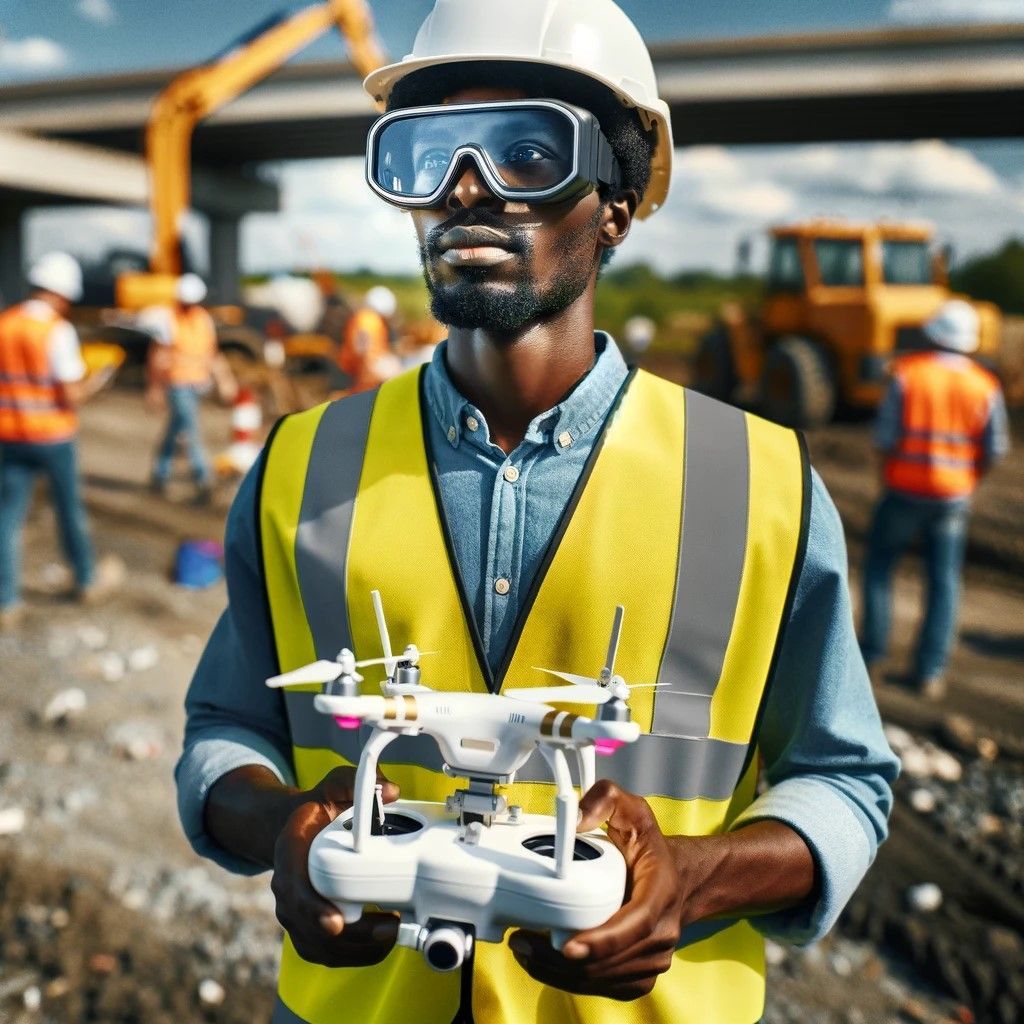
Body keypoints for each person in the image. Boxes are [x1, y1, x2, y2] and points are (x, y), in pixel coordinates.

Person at [175, 3, 897, 1022]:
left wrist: (693, 876)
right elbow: (225, 729)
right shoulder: (301, 462)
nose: (464, 188)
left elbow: (843, 778)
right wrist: (282, 829)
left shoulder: (760, 480)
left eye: (525, 149)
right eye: (423, 154)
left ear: (615, 203)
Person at [861, 299, 1009, 699]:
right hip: (953, 497)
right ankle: (929, 673)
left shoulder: (909, 375)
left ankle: (871, 659)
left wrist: (885, 478)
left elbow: (884, 439)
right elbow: (994, 448)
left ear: (934, 333)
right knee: (944, 582)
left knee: (878, 570)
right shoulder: (985, 385)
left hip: (903, 490)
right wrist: (968, 480)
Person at [0, 252, 120, 630]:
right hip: (52, 436)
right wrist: (100, 379)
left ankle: (6, 600)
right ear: (62, 293)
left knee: (7, 517)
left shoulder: (5, 324)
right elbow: (71, 395)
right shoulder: (57, 330)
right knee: (68, 510)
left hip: (8, 434)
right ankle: (86, 578)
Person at [144, 273, 236, 504]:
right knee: (192, 431)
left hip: (199, 384)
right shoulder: (169, 320)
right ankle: (203, 479)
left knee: (176, 428)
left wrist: (225, 379)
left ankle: (160, 473)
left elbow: (212, 353)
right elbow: (158, 355)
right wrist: (154, 387)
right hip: (178, 384)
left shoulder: (203, 320)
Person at [331, 285, 402, 395]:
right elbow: (362, 352)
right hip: (356, 374)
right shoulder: (368, 320)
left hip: (354, 371)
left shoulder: (364, 317)